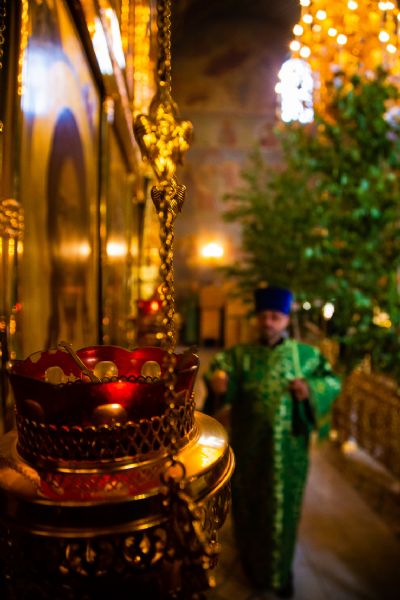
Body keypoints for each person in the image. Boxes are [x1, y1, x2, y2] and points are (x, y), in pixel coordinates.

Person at [203, 286, 341, 598]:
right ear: (257, 318)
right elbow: (219, 375)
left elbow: (331, 381)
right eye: (264, 316)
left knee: (283, 508)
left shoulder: (305, 356)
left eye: (275, 317)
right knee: (249, 505)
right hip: (248, 448)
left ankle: (280, 571)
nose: (268, 322)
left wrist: (310, 389)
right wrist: (218, 384)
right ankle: (251, 563)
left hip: (290, 452)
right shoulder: (238, 355)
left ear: (286, 319)